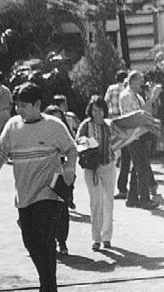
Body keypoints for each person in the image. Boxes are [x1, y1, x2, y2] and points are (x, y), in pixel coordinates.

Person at [0, 82, 77, 292]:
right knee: (30, 241)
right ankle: (48, 283)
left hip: (49, 194)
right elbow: (0, 151)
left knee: (45, 239)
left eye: (24, 106)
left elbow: (71, 149)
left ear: (37, 105)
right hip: (24, 196)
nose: (19, 110)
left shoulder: (54, 126)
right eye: (17, 106)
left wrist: (70, 167)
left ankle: (48, 286)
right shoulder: (12, 126)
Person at [75, 96, 115, 251]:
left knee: (108, 202)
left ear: (104, 110)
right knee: (96, 201)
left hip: (108, 165)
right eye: (94, 110)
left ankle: (107, 237)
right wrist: (87, 143)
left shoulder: (109, 125)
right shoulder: (86, 125)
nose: (97, 113)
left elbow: (118, 140)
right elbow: (77, 141)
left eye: (100, 110)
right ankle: (96, 238)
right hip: (91, 167)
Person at [119, 71, 160, 209]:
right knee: (142, 168)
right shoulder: (126, 96)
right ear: (133, 81)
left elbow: (147, 113)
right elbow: (138, 115)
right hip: (133, 135)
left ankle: (132, 198)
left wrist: (150, 98)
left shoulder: (137, 96)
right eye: (140, 81)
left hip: (140, 134)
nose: (142, 83)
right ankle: (144, 199)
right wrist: (152, 99)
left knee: (137, 167)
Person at [44, 105, 74, 256]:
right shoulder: (40, 133)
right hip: (43, 176)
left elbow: (72, 151)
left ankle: (62, 241)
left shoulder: (65, 135)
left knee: (61, 210)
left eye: (60, 119)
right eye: (53, 118)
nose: (57, 122)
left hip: (60, 175)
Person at [105, 70, 130, 200]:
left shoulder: (111, 88)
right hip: (125, 124)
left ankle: (118, 187)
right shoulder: (127, 89)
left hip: (113, 122)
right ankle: (123, 187)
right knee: (127, 155)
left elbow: (106, 103)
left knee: (114, 150)